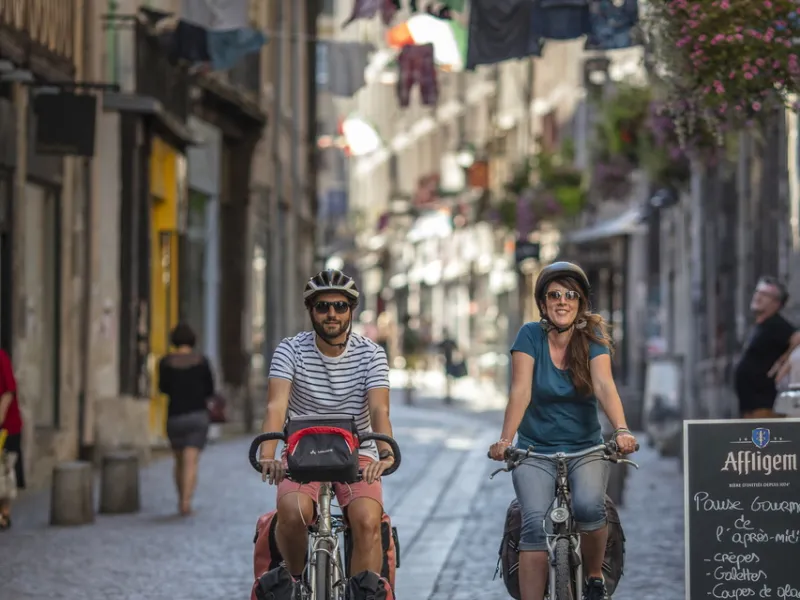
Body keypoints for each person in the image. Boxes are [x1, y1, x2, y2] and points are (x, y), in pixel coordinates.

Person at [488, 261, 637, 600]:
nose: (562, 301)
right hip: (534, 449)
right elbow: (520, 391)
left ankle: (595, 578)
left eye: (571, 295)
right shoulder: (529, 335)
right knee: (532, 525)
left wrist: (622, 430)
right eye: (554, 295)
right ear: (543, 303)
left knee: (590, 507)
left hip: (585, 447)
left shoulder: (593, 338)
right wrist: (505, 440)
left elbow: (604, 385)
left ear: (581, 302)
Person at [259, 269, 396, 586]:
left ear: (351, 310)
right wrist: (268, 454)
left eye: (340, 306)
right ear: (311, 311)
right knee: (292, 512)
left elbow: (379, 408)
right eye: (322, 306)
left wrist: (385, 453)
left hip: (356, 452)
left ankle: (363, 590)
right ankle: (294, 583)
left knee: (366, 521)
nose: (331, 313)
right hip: (300, 452)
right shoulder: (290, 350)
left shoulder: (371, 354)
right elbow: (276, 406)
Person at [158, 324, 214, 516]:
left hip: (174, 416)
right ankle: (186, 502)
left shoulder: (166, 362)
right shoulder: (201, 361)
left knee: (178, 461)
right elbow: (210, 390)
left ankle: (180, 497)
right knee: (191, 461)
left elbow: (162, 388)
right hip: (197, 416)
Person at [735, 276, 800, 418]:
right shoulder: (760, 326)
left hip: (766, 406)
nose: (758, 297)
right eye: (758, 292)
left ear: (776, 303)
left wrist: (783, 362)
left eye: (765, 295)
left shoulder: (777, 325)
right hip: (751, 406)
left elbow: (797, 338)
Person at [0, 349, 23, 530]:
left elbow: (9, 391)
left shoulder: (1, 357)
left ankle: (4, 515)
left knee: (5, 469)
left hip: (7, 426)